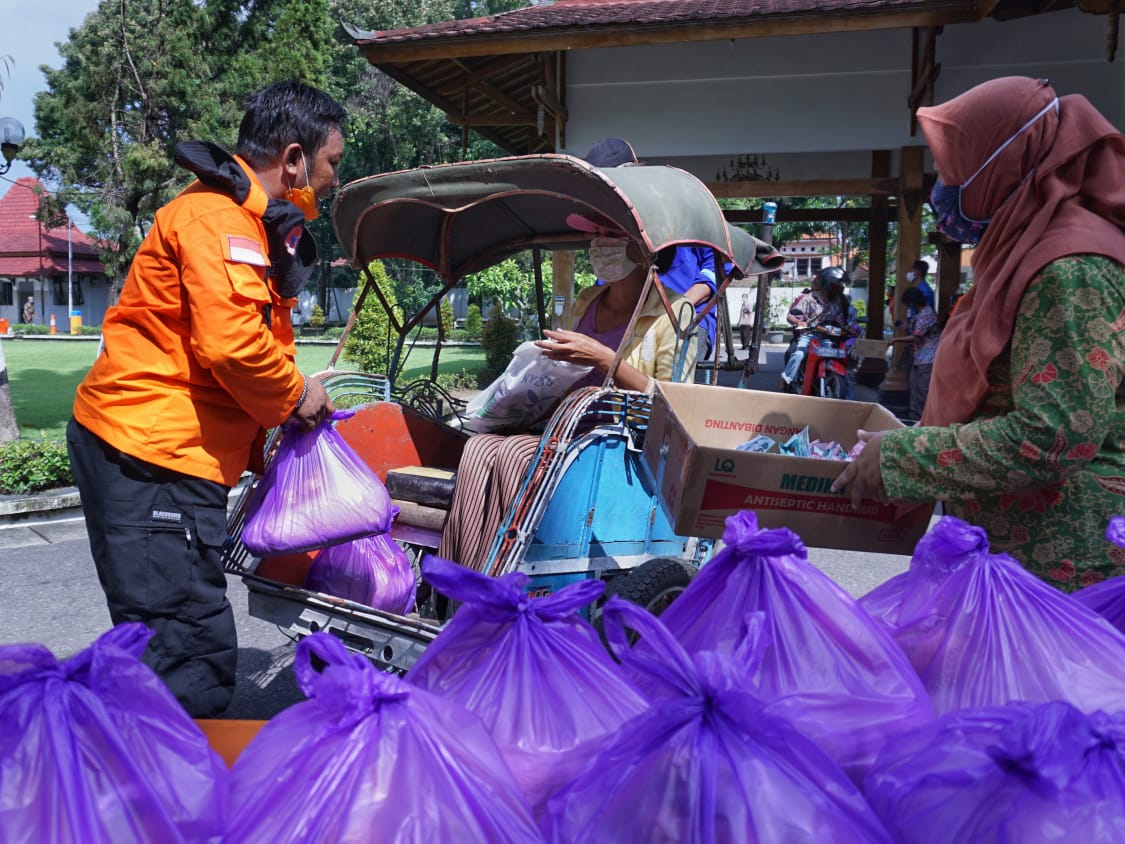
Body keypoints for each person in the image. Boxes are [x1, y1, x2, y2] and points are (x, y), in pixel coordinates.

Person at [66, 80, 345, 716]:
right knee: (186, 648)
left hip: (151, 447)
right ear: (294, 158)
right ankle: (177, 797)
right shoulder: (219, 220)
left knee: (159, 633)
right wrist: (298, 393)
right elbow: (233, 348)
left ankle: (143, 775)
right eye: (331, 163)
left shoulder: (237, 220)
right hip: (153, 453)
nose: (331, 181)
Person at [832, 76, 1125, 591]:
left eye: (951, 170)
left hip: (1067, 572)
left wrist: (902, 456)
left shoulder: (1068, 268)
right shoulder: (1023, 253)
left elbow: (1056, 435)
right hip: (1014, 557)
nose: (942, 188)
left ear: (1003, 165)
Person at [438, 237, 696, 572]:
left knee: (514, 454)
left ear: (647, 248)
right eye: (598, 232)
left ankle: (494, 580)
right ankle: (450, 578)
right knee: (479, 447)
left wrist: (606, 359)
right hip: (563, 426)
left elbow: (675, 405)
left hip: (616, 444)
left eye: (613, 232)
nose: (600, 242)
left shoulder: (674, 313)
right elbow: (569, 375)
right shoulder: (588, 298)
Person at [582, 138, 718, 364]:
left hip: (683, 316)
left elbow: (714, 272)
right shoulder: (604, 223)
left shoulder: (684, 212)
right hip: (619, 316)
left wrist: (672, 308)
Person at [780, 265, 855, 388]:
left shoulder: (840, 301)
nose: (840, 289)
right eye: (837, 286)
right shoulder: (808, 299)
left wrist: (848, 327)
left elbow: (843, 320)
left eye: (841, 286)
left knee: (845, 358)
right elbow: (790, 316)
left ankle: (848, 399)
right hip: (811, 334)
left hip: (830, 336)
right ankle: (786, 378)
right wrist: (799, 322)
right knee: (798, 354)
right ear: (827, 284)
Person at [887, 285, 940, 421]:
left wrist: (896, 339)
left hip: (927, 357)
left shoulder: (926, 314)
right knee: (915, 388)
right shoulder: (922, 314)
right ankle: (915, 417)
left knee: (922, 390)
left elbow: (917, 336)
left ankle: (923, 418)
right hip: (920, 357)